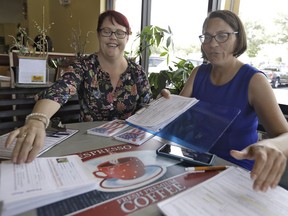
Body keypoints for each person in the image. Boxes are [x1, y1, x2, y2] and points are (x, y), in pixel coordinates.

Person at [163, 10, 288, 192]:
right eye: (207, 36)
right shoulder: (198, 73)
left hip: (237, 174)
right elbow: (174, 113)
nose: (213, 43)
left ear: (238, 39)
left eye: (222, 36)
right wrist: (165, 103)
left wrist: (270, 144)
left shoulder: (254, 80)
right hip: (196, 165)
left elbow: (285, 135)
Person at [5, 10, 152, 164]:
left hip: (130, 149)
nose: (113, 37)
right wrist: (37, 120)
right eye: (107, 31)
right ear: (98, 34)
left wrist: (166, 103)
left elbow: (148, 110)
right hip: (88, 148)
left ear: (127, 36)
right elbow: (60, 89)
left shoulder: (138, 72)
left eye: (120, 32)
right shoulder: (83, 66)